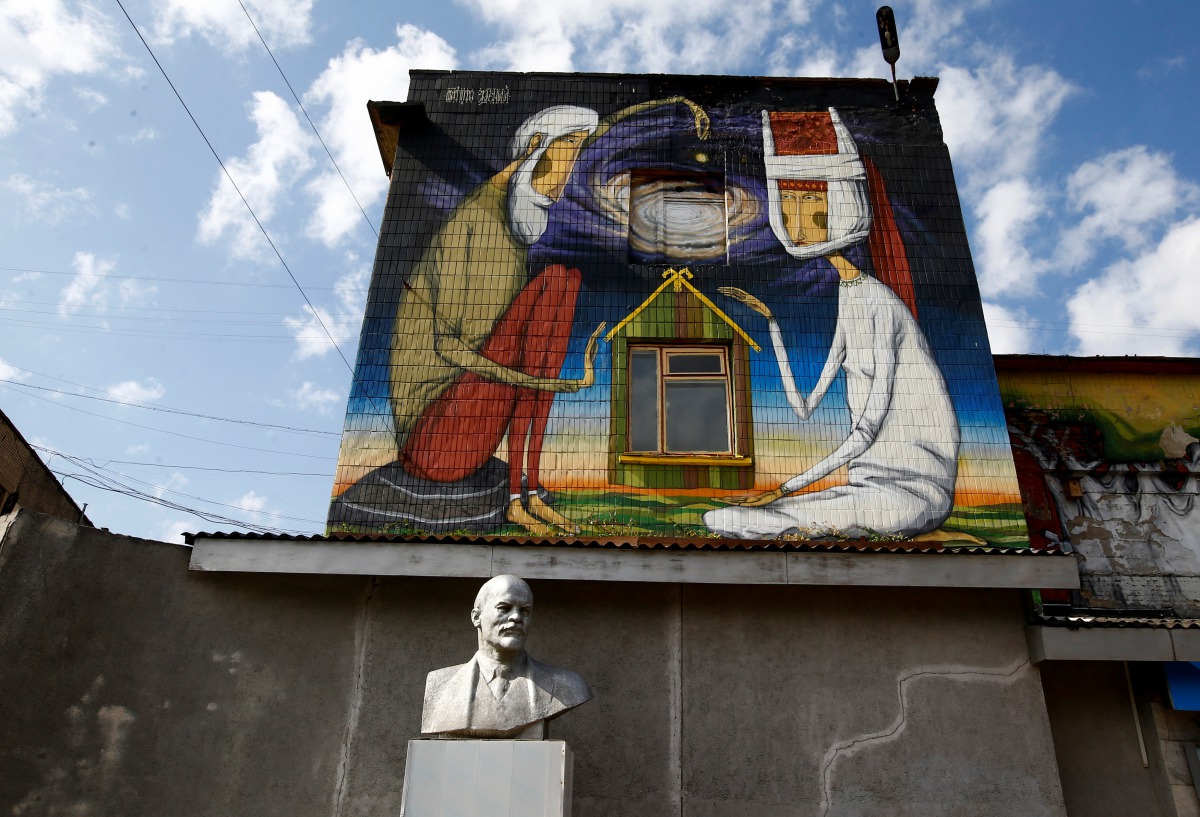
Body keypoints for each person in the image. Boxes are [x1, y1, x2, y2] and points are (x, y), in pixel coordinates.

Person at [389, 101, 710, 536]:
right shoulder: (477, 221)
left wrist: (674, 105)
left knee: (565, 280)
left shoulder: (515, 226)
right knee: (557, 280)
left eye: (581, 151)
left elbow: (604, 125)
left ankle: (528, 494)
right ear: (536, 149)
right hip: (432, 441)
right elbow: (447, 347)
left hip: (466, 429)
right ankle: (521, 498)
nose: (573, 168)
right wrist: (552, 384)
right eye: (570, 149)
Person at [703, 108, 959, 540]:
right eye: (790, 202)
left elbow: (866, 431)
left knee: (757, 520)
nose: (799, 221)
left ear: (840, 203)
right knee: (726, 520)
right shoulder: (850, 294)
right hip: (865, 486)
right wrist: (771, 326)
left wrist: (780, 490)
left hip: (915, 494)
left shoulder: (879, 304)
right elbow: (806, 406)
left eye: (811, 200)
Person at [421, 575, 592, 739]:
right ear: (476, 617)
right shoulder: (440, 684)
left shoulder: (569, 686)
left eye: (525, 611)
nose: (517, 617)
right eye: (504, 608)